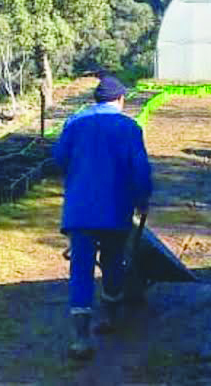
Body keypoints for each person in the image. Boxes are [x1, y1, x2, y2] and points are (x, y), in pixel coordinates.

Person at [52, 74, 152, 360]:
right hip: (115, 210)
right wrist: (142, 200)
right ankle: (109, 318)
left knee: (80, 269)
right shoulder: (129, 127)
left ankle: (81, 338)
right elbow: (140, 169)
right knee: (112, 262)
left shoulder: (74, 122)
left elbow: (58, 158)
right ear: (120, 100)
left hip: (80, 212)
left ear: (95, 100)